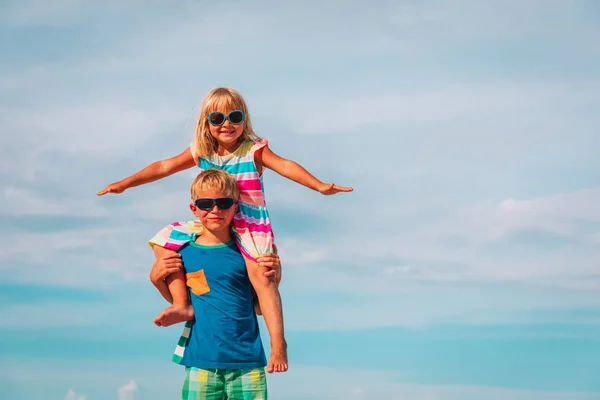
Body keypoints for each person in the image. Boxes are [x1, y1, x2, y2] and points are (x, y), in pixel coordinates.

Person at [97, 87, 352, 329]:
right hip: (213, 218)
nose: (226, 124)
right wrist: (125, 183)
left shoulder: (253, 150)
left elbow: (286, 166)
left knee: (263, 276)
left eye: (235, 117)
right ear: (206, 123)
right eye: (217, 118)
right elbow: (164, 166)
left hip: (250, 223)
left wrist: (318, 185)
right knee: (164, 240)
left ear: (244, 120)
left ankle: (277, 343)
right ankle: (182, 304)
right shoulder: (202, 151)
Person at [152, 168, 283, 398]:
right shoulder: (183, 252)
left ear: (235, 207)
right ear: (194, 208)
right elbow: (187, 305)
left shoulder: (249, 251)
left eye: (223, 203)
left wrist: (276, 278)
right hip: (200, 360)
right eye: (205, 203)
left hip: (247, 362)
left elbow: (259, 307)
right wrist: (157, 281)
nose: (215, 210)